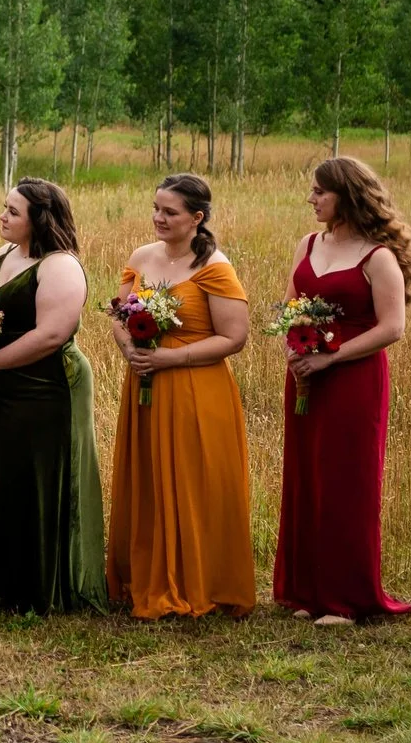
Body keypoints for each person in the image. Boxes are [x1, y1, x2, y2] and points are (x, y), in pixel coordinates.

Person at [105, 172, 254, 619]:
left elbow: (234, 337)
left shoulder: (214, 267)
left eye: (170, 212)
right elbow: (118, 313)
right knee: (149, 477)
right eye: (156, 208)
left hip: (194, 388)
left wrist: (170, 358)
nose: (159, 218)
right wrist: (131, 350)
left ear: (197, 218)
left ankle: (195, 580)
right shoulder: (141, 257)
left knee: (193, 481)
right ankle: (146, 573)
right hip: (144, 383)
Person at [276, 156, 411, 625]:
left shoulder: (378, 257)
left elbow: (392, 327)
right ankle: (307, 590)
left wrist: (331, 357)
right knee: (306, 476)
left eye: (320, 191)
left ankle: (345, 599)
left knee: (346, 482)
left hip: (353, 378)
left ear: (348, 195)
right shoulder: (308, 243)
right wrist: (293, 348)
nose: (311, 199)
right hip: (305, 375)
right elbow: (292, 306)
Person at [0, 177, 104, 614]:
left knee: (39, 479)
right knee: (4, 474)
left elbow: (51, 335)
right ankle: (5, 580)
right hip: (1, 386)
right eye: (4, 207)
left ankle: (42, 585)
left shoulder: (59, 266)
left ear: (39, 219)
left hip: (46, 386)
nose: (2, 216)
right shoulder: (5, 253)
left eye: (13, 211)